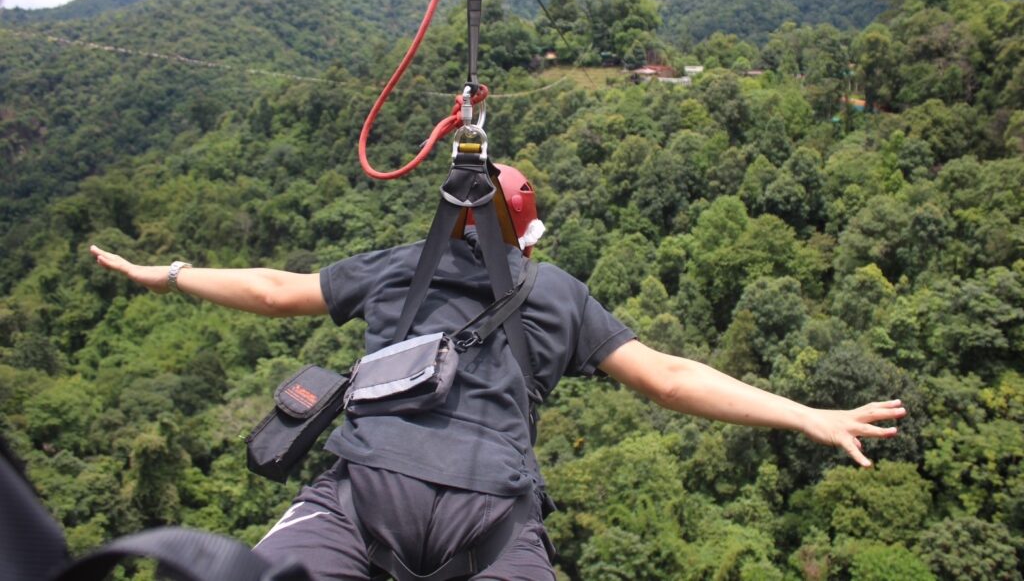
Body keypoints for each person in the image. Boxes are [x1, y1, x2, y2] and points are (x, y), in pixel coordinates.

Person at [90, 164, 906, 581]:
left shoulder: (399, 267)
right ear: (525, 237)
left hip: (363, 487)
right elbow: (668, 375)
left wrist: (162, 272)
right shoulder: (554, 293)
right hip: (493, 520)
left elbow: (271, 290)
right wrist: (807, 413)